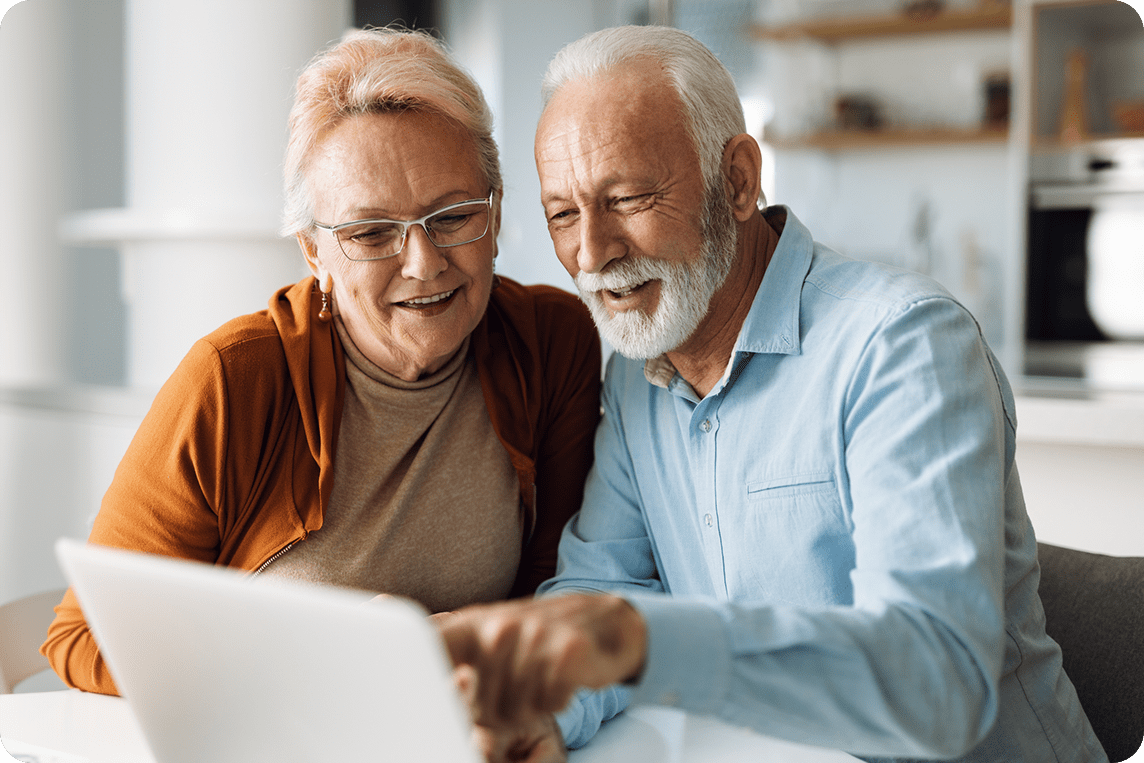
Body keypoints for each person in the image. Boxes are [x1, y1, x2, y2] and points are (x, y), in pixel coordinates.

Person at [441, 25, 1109, 763]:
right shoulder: (640, 378)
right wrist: (542, 711)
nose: (591, 253)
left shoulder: (903, 345)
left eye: (626, 196)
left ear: (736, 180)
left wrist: (638, 643)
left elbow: (936, 684)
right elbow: (602, 587)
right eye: (563, 213)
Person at [42, 28, 602, 697]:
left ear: (497, 208)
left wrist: (462, 645)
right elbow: (81, 637)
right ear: (314, 254)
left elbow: (556, 583)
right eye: (370, 233)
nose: (424, 264)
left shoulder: (552, 339)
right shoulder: (231, 379)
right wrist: (316, 654)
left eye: (452, 217)